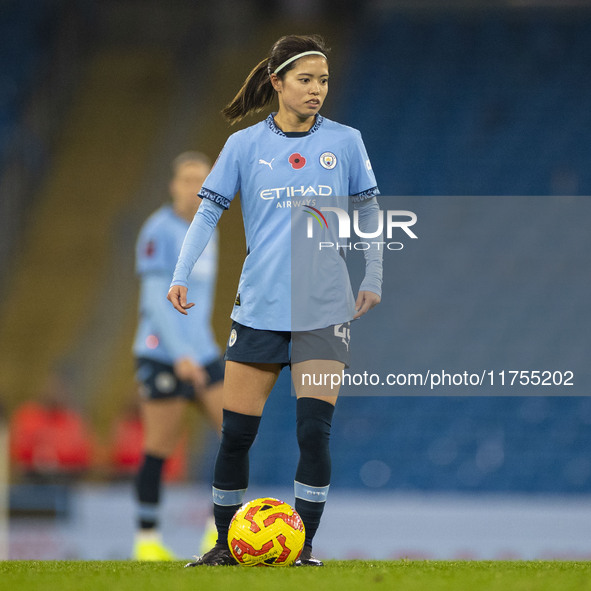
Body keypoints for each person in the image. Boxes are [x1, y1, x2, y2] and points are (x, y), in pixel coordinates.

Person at [168, 35, 382, 566]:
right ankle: (222, 546)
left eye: (324, 80)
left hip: (324, 308)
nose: (317, 90)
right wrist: (181, 274)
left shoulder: (347, 142)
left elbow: (371, 212)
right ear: (277, 82)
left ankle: (304, 548)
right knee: (236, 434)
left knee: (313, 432)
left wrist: (373, 274)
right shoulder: (243, 145)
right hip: (260, 307)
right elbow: (208, 213)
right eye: (306, 80)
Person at [132, 151, 224, 561]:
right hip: (163, 353)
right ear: (173, 185)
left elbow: (200, 302)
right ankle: (147, 539)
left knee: (236, 432)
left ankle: (218, 532)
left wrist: (203, 348)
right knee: (161, 445)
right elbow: (155, 301)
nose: (194, 188)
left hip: (202, 352)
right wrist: (181, 353)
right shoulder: (159, 230)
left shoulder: (210, 229)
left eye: (201, 181)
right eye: (187, 180)